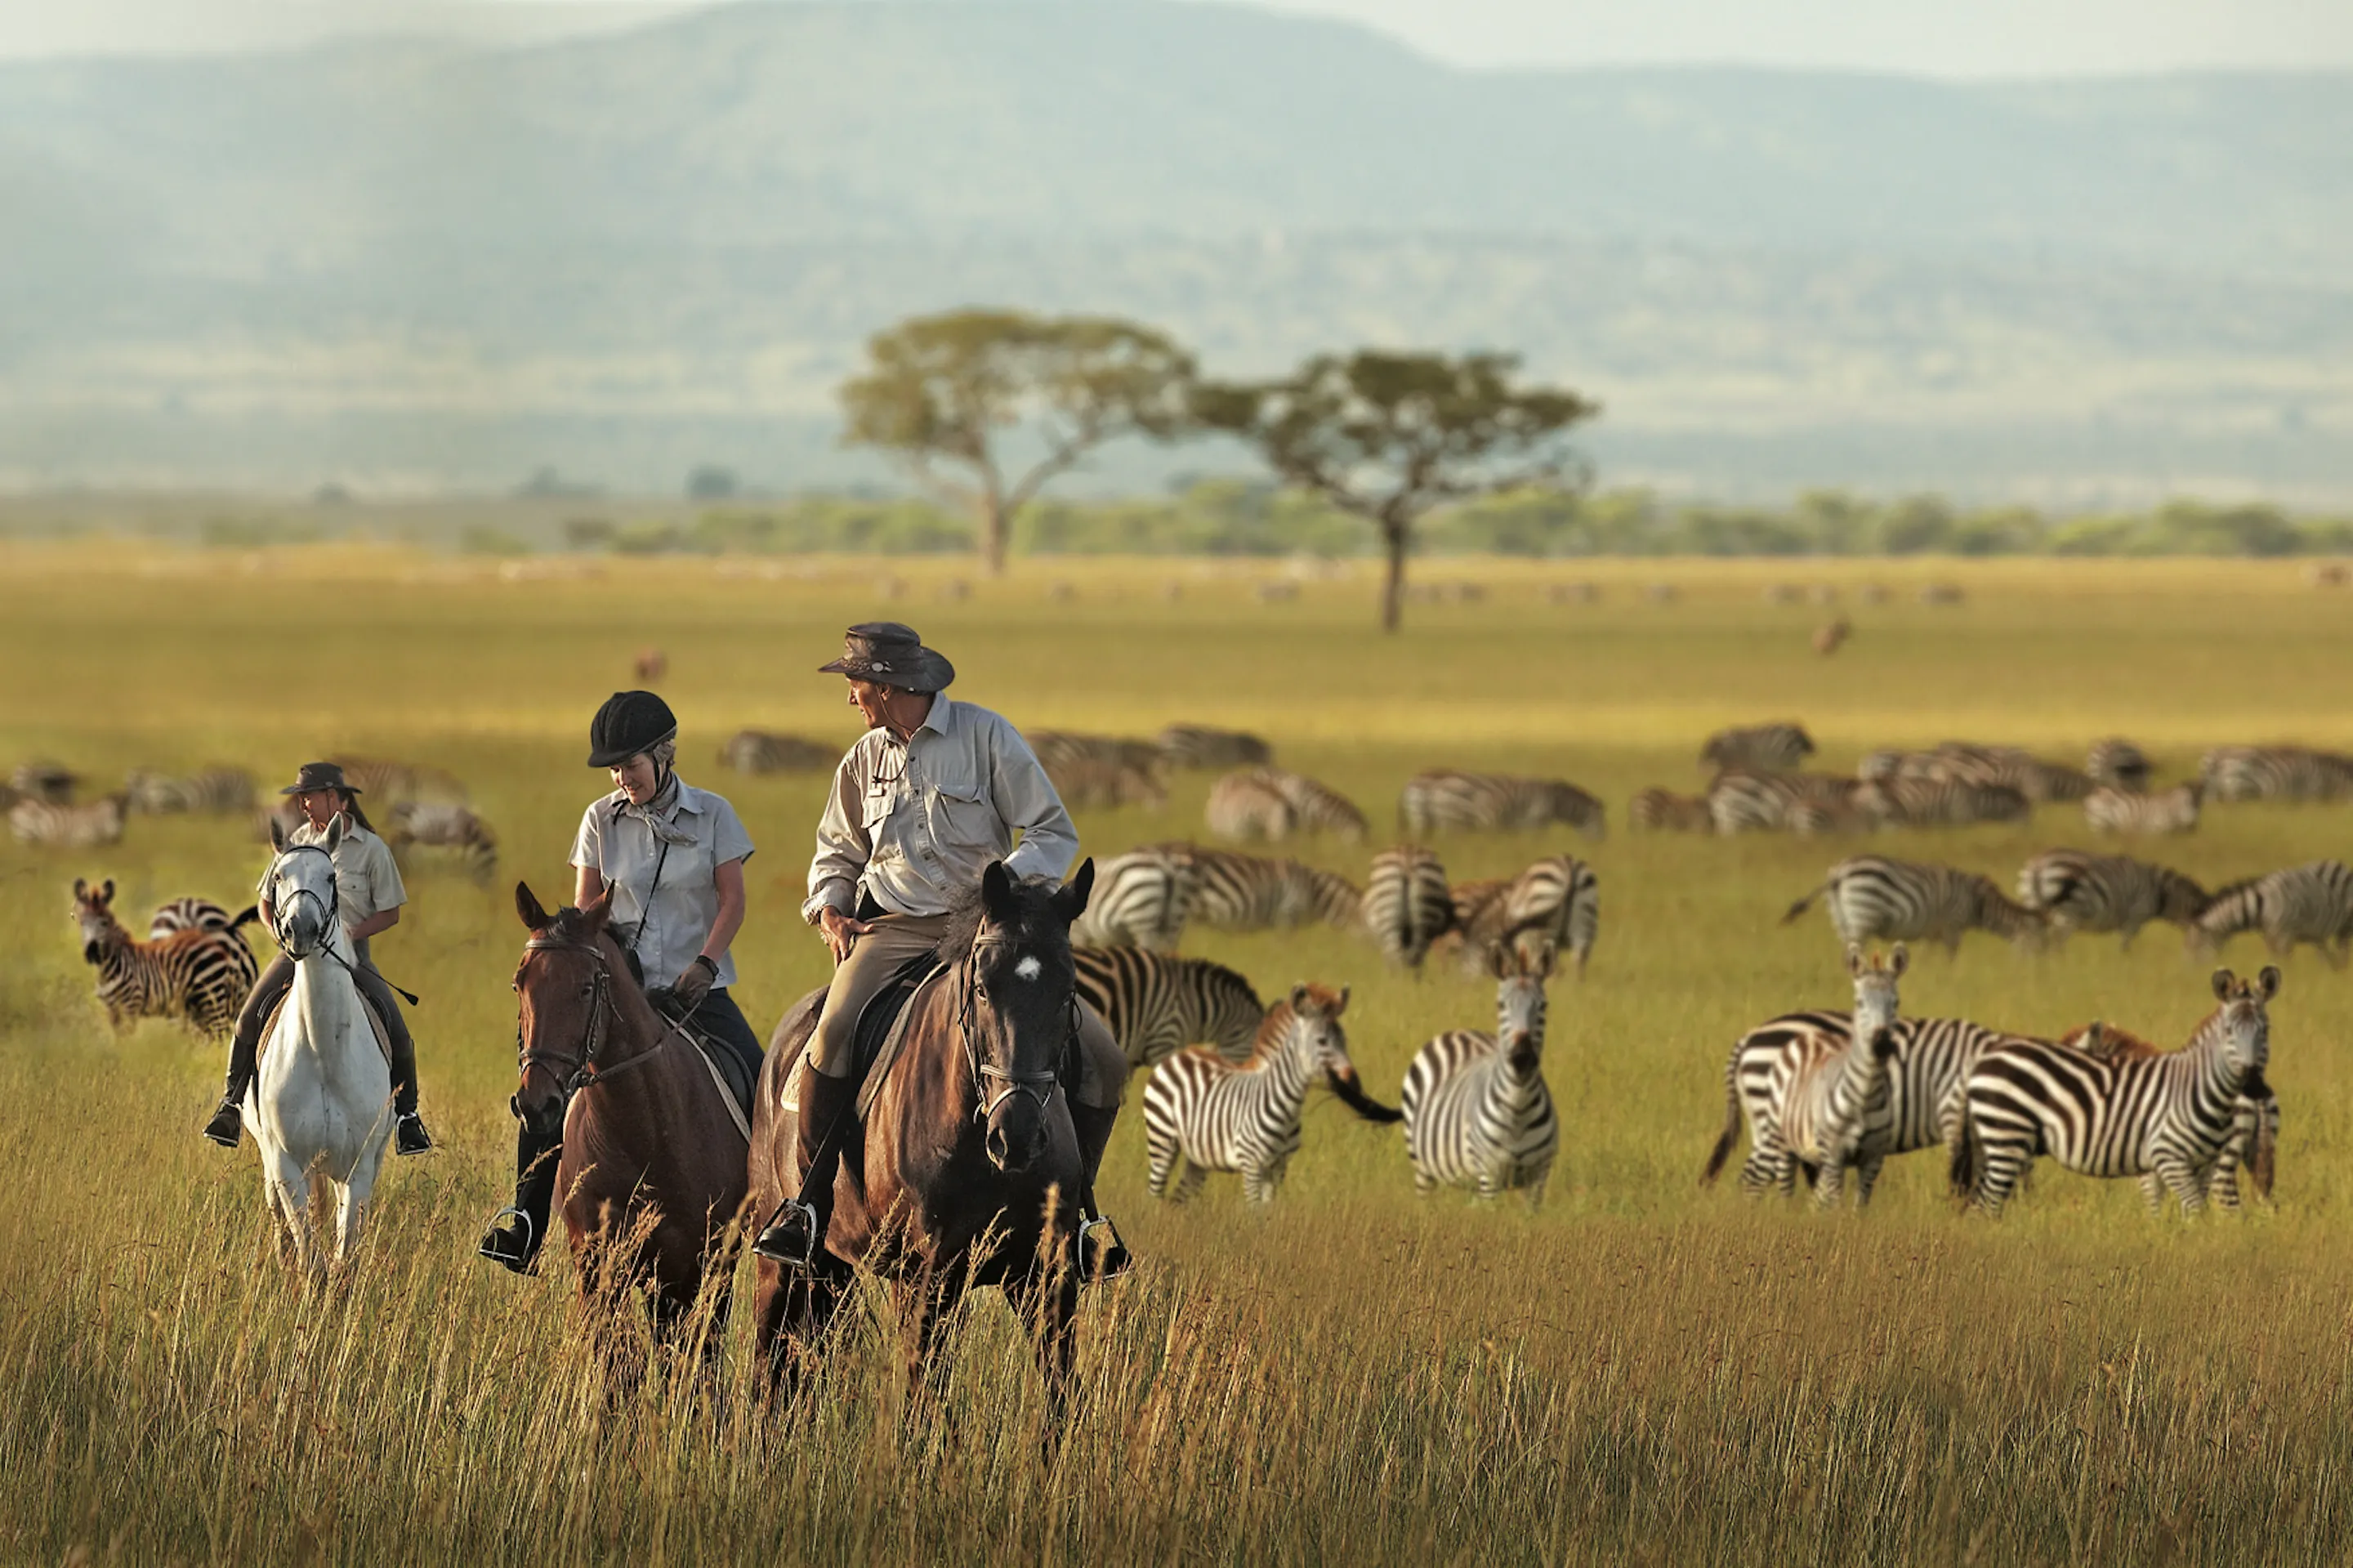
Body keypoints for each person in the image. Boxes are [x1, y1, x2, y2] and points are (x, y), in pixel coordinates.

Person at [753, 622, 1131, 1278]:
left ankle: (1077, 1216)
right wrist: (831, 907)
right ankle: (808, 1207)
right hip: (894, 929)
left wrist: (1005, 890)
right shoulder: (863, 758)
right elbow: (836, 852)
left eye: (856, 683)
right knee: (831, 1034)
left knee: (1103, 1057)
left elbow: (1051, 829)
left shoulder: (987, 737)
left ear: (891, 684)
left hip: (985, 928)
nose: (850, 698)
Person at [478, 690, 761, 1273]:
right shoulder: (598, 819)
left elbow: (732, 902)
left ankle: (778, 1214)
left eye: (630, 764)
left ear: (664, 755)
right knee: (547, 1090)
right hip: (617, 995)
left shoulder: (714, 815)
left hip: (695, 993)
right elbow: (586, 911)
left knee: (760, 1083)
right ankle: (525, 1221)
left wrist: (706, 964)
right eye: (614, 767)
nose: (621, 777)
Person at [203, 762, 432, 1155]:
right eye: (301, 799)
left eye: (308, 797)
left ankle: (409, 1119)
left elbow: (391, 912)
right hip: (297, 953)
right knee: (246, 1019)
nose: (304, 805)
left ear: (336, 798)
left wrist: (350, 935)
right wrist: (278, 931)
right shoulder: (295, 841)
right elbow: (264, 901)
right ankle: (231, 1105)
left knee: (399, 1032)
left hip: (352, 956)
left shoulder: (372, 849)